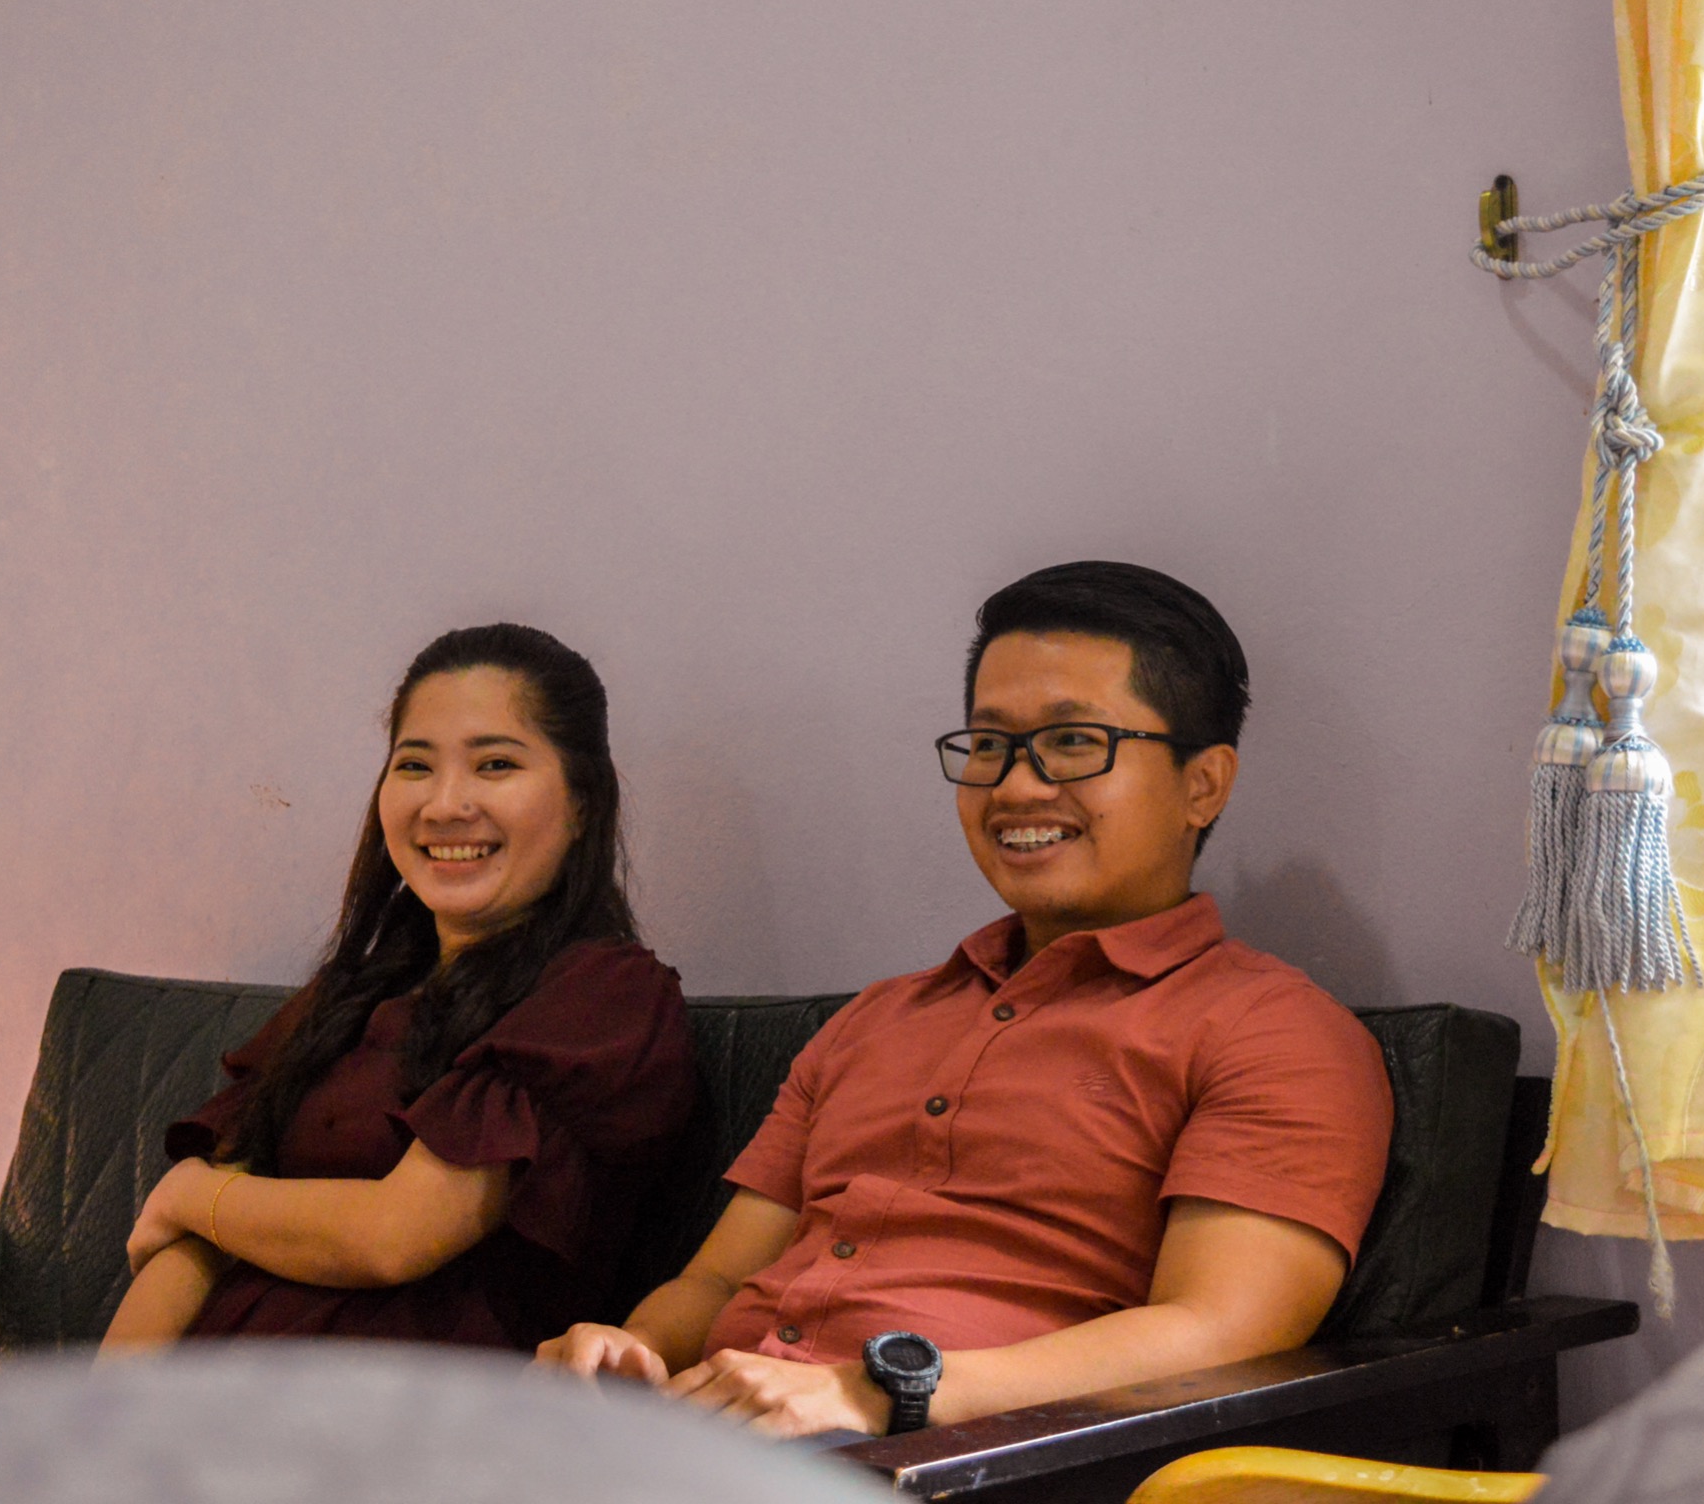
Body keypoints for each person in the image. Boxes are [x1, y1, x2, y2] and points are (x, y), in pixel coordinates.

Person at [537, 561, 1394, 1440]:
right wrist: (633, 1349)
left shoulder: (1276, 1033)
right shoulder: (875, 1020)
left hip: (969, 1461)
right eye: (989, 746)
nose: (1015, 787)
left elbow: (1221, 1332)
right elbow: (717, 1283)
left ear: (1203, 783)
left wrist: (881, 1391)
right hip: (713, 1440)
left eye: (1073, 742)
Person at [99, 623, 696, 1355]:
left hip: (422, 1407)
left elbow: (395, 1236)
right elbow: (189, 1249)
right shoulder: (352, 993)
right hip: (216, 1398)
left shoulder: (606, 997)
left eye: (496, 765)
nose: (444, 804)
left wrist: (195, 1196)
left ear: (582, 803)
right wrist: (108, 1409)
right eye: (414, 765)